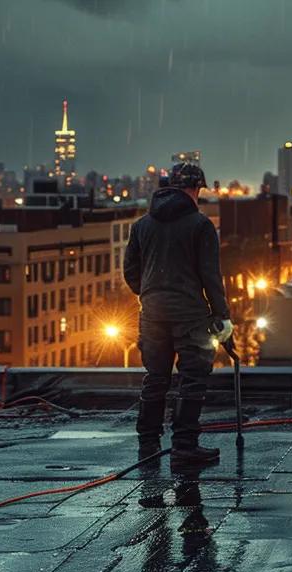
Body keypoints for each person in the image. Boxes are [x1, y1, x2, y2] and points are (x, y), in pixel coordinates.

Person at [122, 162, 232, 462]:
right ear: (194, 189)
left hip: (152, 313)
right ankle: (184, 445)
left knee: (156, 377)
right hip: (190, 315)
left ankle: (148, 444)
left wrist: (150, 294)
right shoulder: (200, 225)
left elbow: (130, 271)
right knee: (192, 377)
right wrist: (222, 316)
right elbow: (211, 276)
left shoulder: (142, 225)